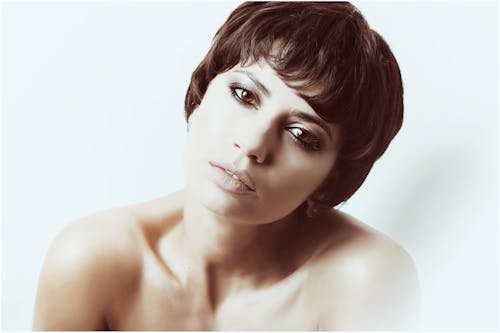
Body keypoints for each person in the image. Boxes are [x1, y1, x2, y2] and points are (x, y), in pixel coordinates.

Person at [33, 2, 420, 330]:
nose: (252, 145)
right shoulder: (91, 260)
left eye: (302, 135)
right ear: (202, 93)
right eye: (244, 94)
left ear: (332, 179)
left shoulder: (364, 278)